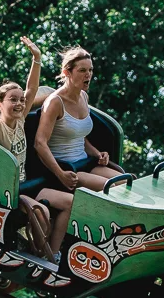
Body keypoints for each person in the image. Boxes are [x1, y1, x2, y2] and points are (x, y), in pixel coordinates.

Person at [0, 36, 62, 257]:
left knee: (69, 202)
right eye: (13, 100)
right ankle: (40, 254)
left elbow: (32, 88)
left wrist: (37, 58)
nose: (20, 104)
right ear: (2, 104)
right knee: (41, 211)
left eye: (21, 101)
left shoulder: (21, 119)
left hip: (25, 184)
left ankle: (52, 251)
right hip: (8, 191)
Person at [32, 47, 121, 212]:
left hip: (85, 162)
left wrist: (97, 153)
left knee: (127, 182)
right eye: (82, 70)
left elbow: (78, 135)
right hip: (67, 169)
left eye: (90, 70)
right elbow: (40, 143)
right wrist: (60, 174)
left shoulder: (83, 96)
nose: (88, 75)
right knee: (112, 188)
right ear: (67, 73)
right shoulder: (55, 102)